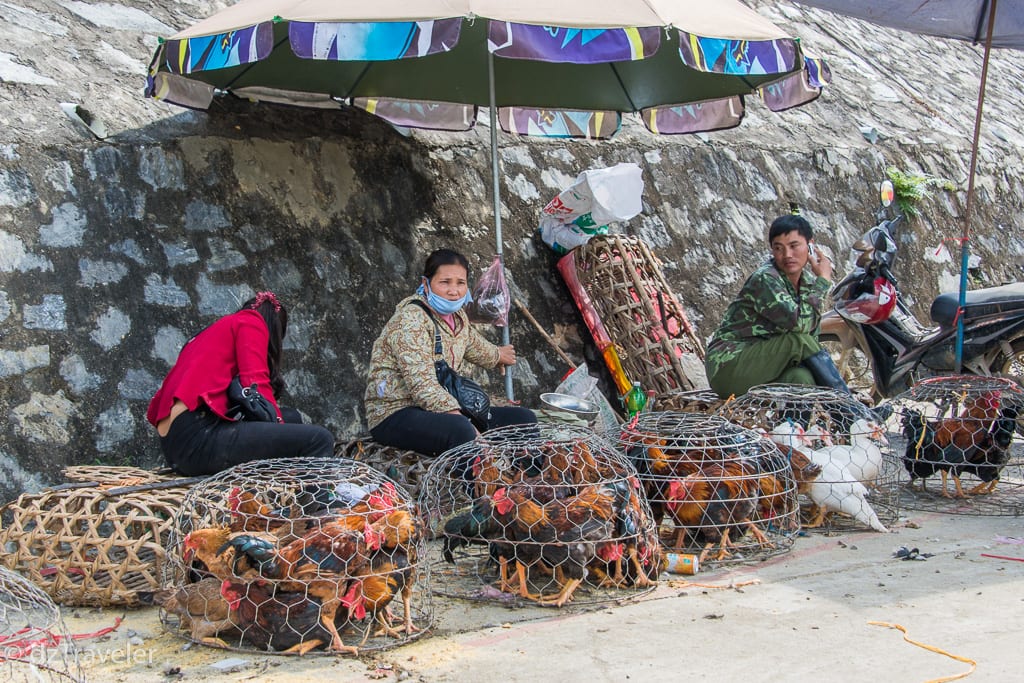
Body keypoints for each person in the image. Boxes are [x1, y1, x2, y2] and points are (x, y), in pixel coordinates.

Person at [364, 249, 537, 457]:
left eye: (460, 283)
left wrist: (498, 355)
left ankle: (529, 484)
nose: (454, 291)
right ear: (426, 284)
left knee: (523, 419)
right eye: (445, 282)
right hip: (395, 413)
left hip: (437, 409)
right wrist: (463, 421)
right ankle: (479, 489)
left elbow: (474, 345)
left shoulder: (457, 317)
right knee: (460, 430)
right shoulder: (410, 320)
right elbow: (423, 387)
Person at [147, 291, 336, 476]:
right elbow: (255, 387)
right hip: (197, 439)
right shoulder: (251, 322)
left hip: (177, 443)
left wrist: (282, 426)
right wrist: (278, 427)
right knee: (318, 439)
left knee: (292, 418)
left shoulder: (214, 331)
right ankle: (318, 505)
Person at [705, 213, 850, 398]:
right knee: (797, 341)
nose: (787, 255)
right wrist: (823, 281)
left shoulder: (806, 284)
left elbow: (811, 335)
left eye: (794, 246)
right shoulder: (766, 278)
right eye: (778, 248)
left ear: (811, 246)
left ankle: (795, 427)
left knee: (802, 378)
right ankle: (852, 410)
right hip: (728, 367)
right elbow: (800, 328)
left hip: (764, 366)